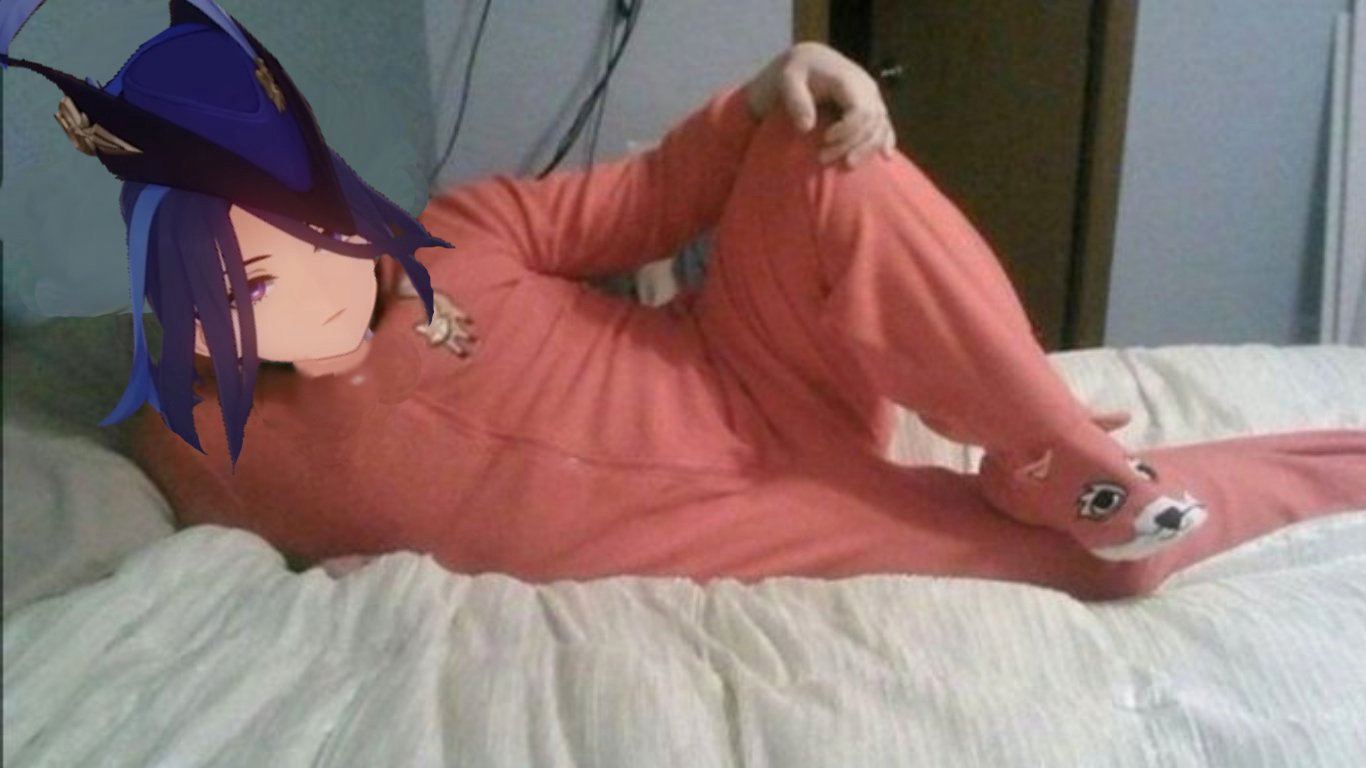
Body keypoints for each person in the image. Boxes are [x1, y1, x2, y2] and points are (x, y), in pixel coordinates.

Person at [9, 1, 1365, 600]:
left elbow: (660, 193)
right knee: (1103, 571)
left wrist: (780, 84)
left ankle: (1051, 454)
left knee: (826, 153)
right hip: (742, 508)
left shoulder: (459, 230)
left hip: (747, 367)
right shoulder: (189, 437)